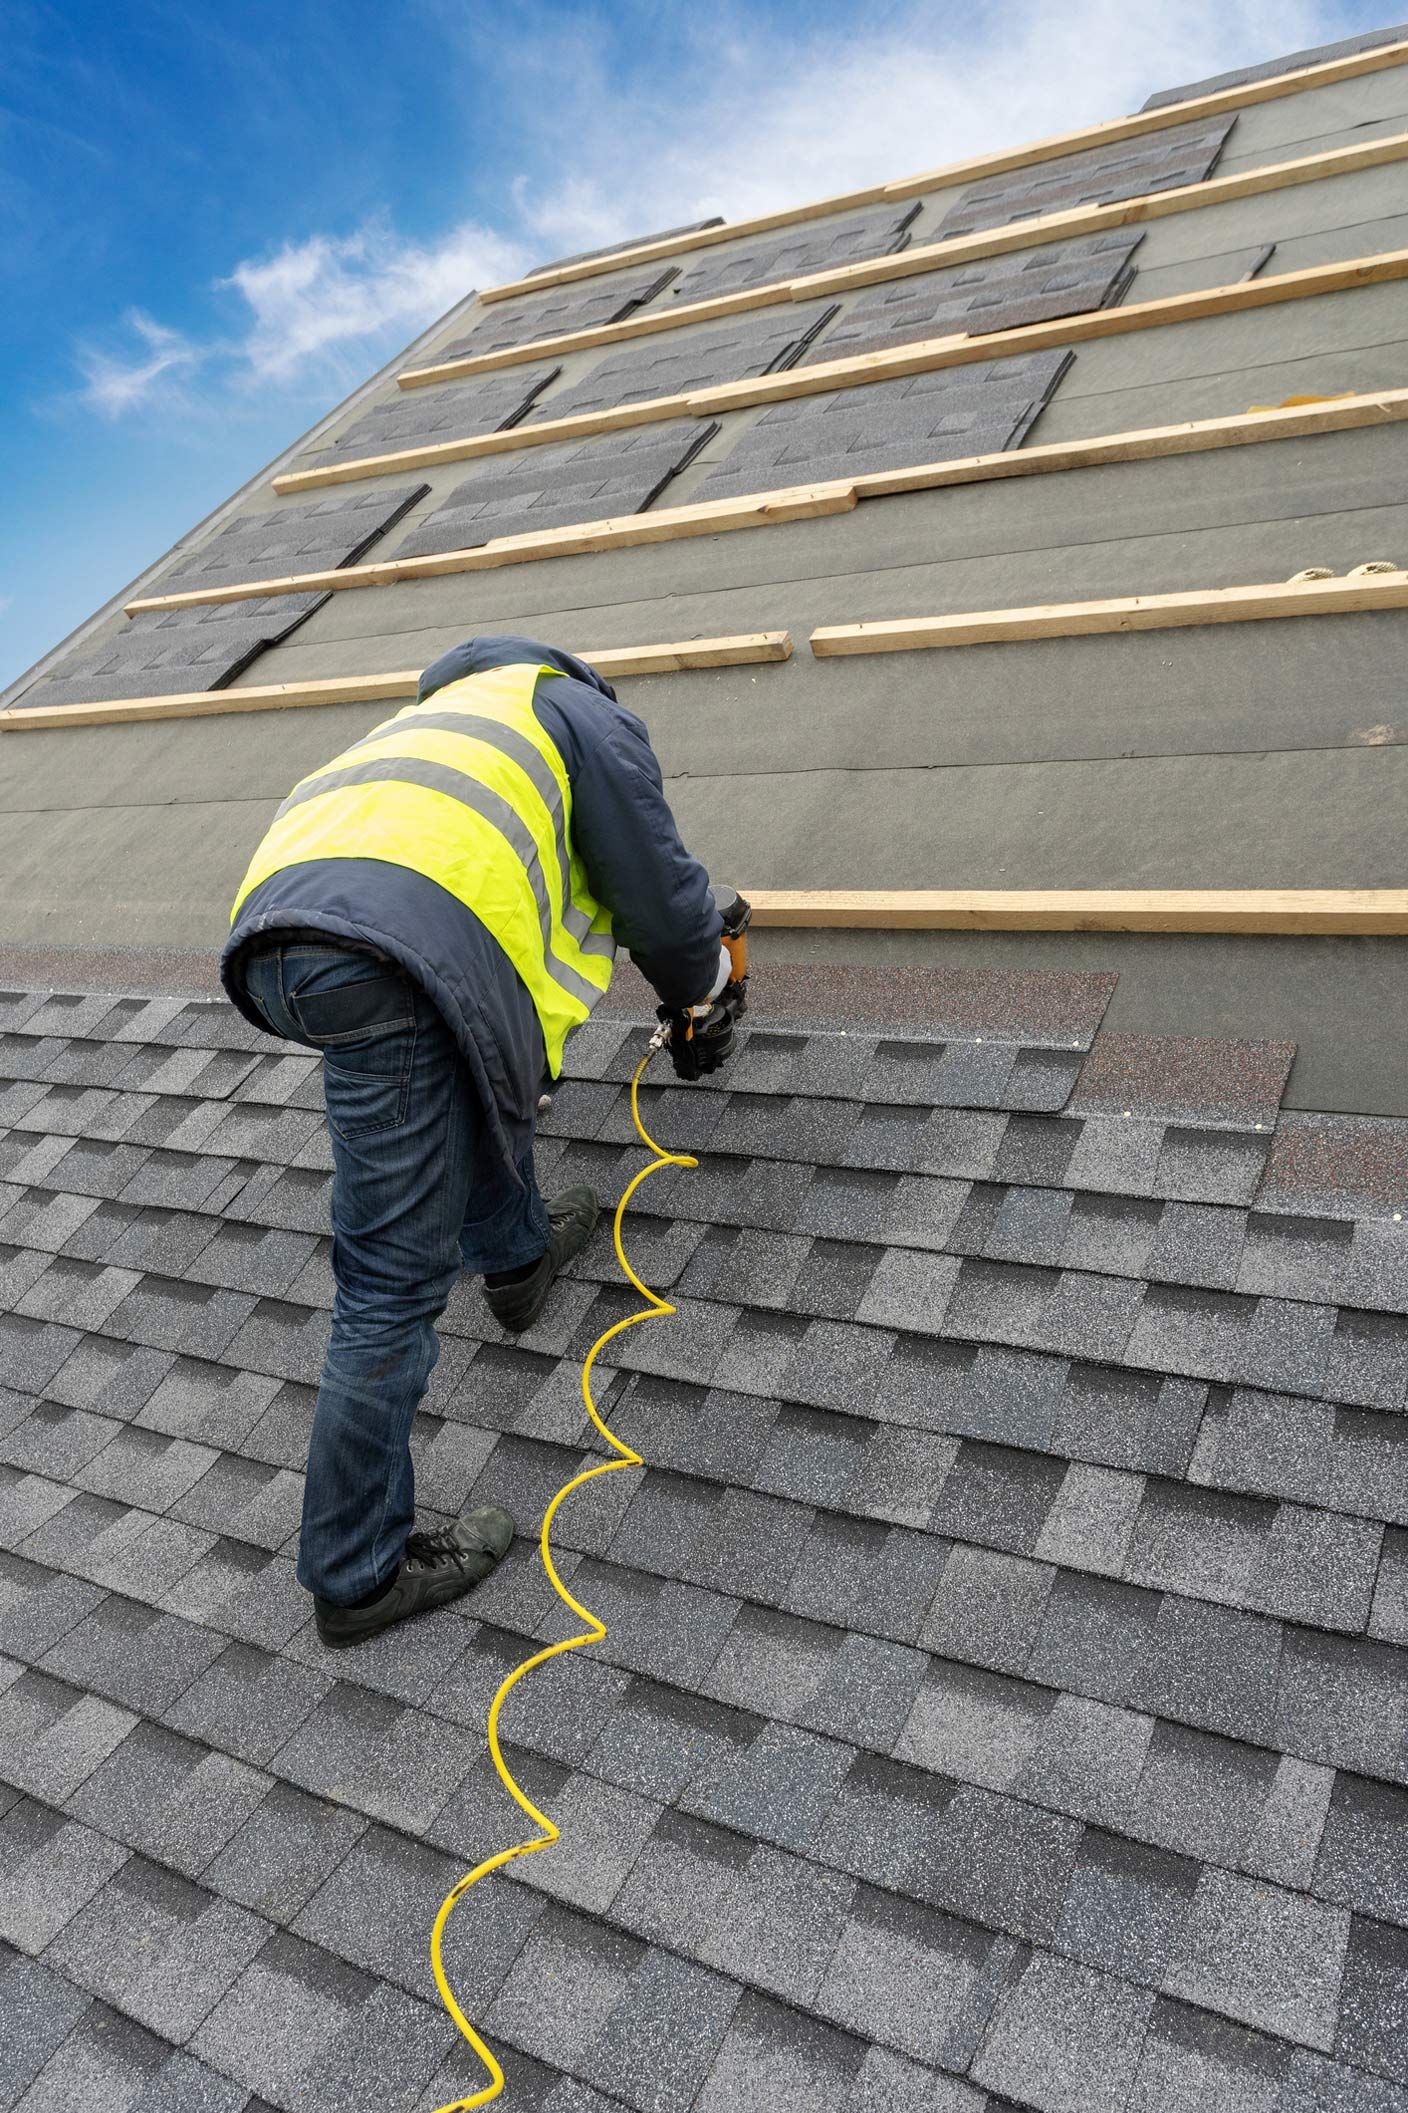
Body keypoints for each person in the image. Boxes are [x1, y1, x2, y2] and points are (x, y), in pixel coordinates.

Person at [221, 635, 731, 1648]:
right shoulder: (572, 708)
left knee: (451, 1074)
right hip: (384, 951)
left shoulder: (435, 721)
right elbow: (658, 887)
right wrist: (702, 994)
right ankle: (356, 1571)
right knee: (387, 1282)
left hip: (280, 942)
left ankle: (518, 1255)